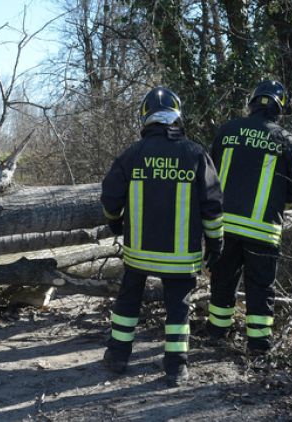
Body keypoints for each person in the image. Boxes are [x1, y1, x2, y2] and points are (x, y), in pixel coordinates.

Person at [101, 87, 224, 387]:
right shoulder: (196, 154)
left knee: (128, 300)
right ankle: (176, 368)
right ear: (177, 116)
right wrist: (216, 242)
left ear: (145, 117)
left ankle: (117, 356)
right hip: (181, 257)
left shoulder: (133, 154)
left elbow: (109, 198)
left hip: (139, 253)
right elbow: (213, 205)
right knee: (178, 308)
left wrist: (115, 224)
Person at [206, 80, 292, 355]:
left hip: (224, 227)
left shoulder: (227, 131)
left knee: (222, 279)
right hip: (263, 230)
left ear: (252, 102)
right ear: (280, 109)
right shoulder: (288, 141)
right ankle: (259, 347)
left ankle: (217, 332)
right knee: (261, 288)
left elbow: (208, 176)